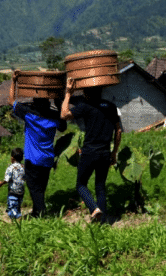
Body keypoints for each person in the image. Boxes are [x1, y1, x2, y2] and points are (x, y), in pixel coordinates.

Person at [61, 78, 123, 223]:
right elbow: (118, 131)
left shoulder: (85, 106)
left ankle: (94, 208)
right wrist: (114, 153)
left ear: (86, 93)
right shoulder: (111, 107)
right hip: (105, 153)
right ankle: (103, 222)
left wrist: (68, 93)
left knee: (81, 184)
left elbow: (64, 115)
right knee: (100, 186)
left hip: (89, 152)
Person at [9, 75, 67, 218]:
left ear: (34, 102)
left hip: (33, 159)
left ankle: (41, 214)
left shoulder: (29, 114)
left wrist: (13, 81)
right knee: (41, 188)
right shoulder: (54, 116)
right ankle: (35, 213)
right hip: (47, 159)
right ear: (48, 103)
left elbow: (11, 101)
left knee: (35, 190)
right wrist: (59, 103)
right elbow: (64, 126)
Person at [0, 147, 25, 220]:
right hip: (21, 191)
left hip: (13, 191)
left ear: (12, 158)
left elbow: (7, 179)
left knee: (12, 207)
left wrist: (1, 183)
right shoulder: (23, 167)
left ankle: (18, 218)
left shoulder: (11, 168)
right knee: (18, 206)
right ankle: (17, 219)